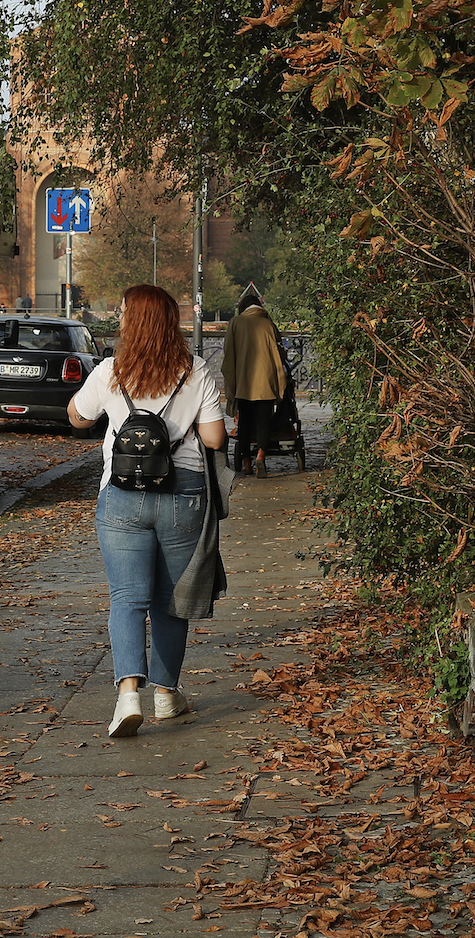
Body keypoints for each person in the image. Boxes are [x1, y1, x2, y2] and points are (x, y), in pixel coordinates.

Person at [68, 284, 226, 738]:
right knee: (170, 602)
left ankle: (127, 698)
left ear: (131, 322)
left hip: (121, 497)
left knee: (127, 597)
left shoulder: (110, 371)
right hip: (184, 495)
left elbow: (76, 415)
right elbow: (214, 440)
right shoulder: (195, 371)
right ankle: (166, 693)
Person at [219, 288, 287, 477]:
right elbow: (280, 355)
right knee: (264, 422)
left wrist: (232, 385)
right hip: (266, 382)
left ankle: (246, 463)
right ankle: (261, 457)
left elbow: (228, 355)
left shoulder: (235, 323)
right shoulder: (268, 325)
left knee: (245, 424)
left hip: (243, 384)